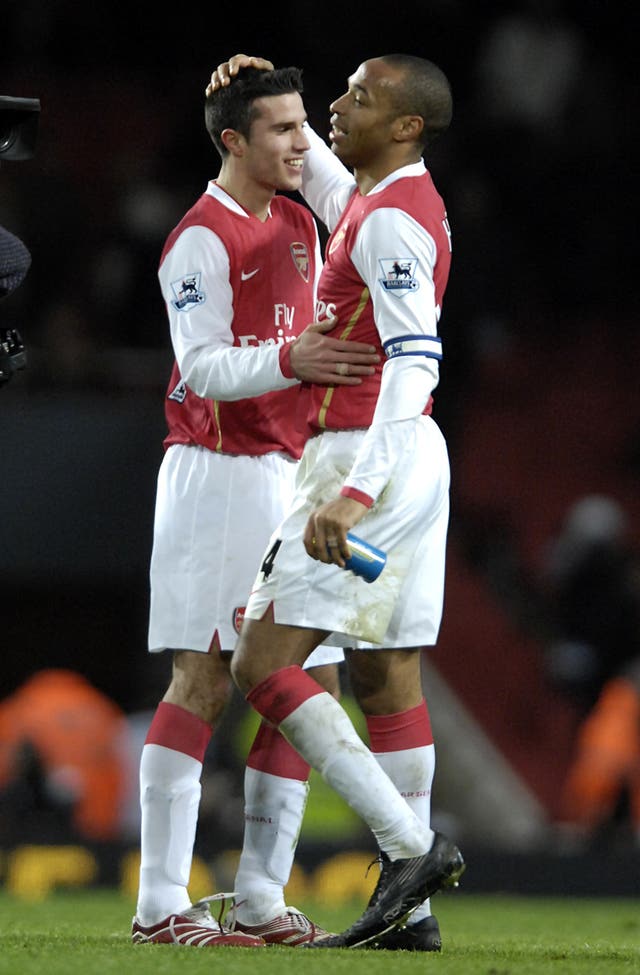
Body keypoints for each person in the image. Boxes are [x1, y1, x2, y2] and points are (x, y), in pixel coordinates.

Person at [209, 52, 465, 949]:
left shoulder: (390, 222)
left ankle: (408, 850)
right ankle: (416, 918)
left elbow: (417, 360)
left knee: (260, 662)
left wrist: (353, 495)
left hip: (365, 454)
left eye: (357, 97)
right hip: (410, 458)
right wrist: (258, 81)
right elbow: (318, 169)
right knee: (387, 674)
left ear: (405, 126)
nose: (333, 108)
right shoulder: (382, 197)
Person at [132, 65, 381, 949]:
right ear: (232, 141)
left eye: (305, 124)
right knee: (203, 679)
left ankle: (261, 902)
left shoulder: (304, 217)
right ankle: (160, 903)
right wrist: (294, 360)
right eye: (280, 128)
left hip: (292, 471)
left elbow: (351, 193)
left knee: (306, 681)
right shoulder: (198, 240)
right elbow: (201, 366)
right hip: (217, 473)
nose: (302, 141)